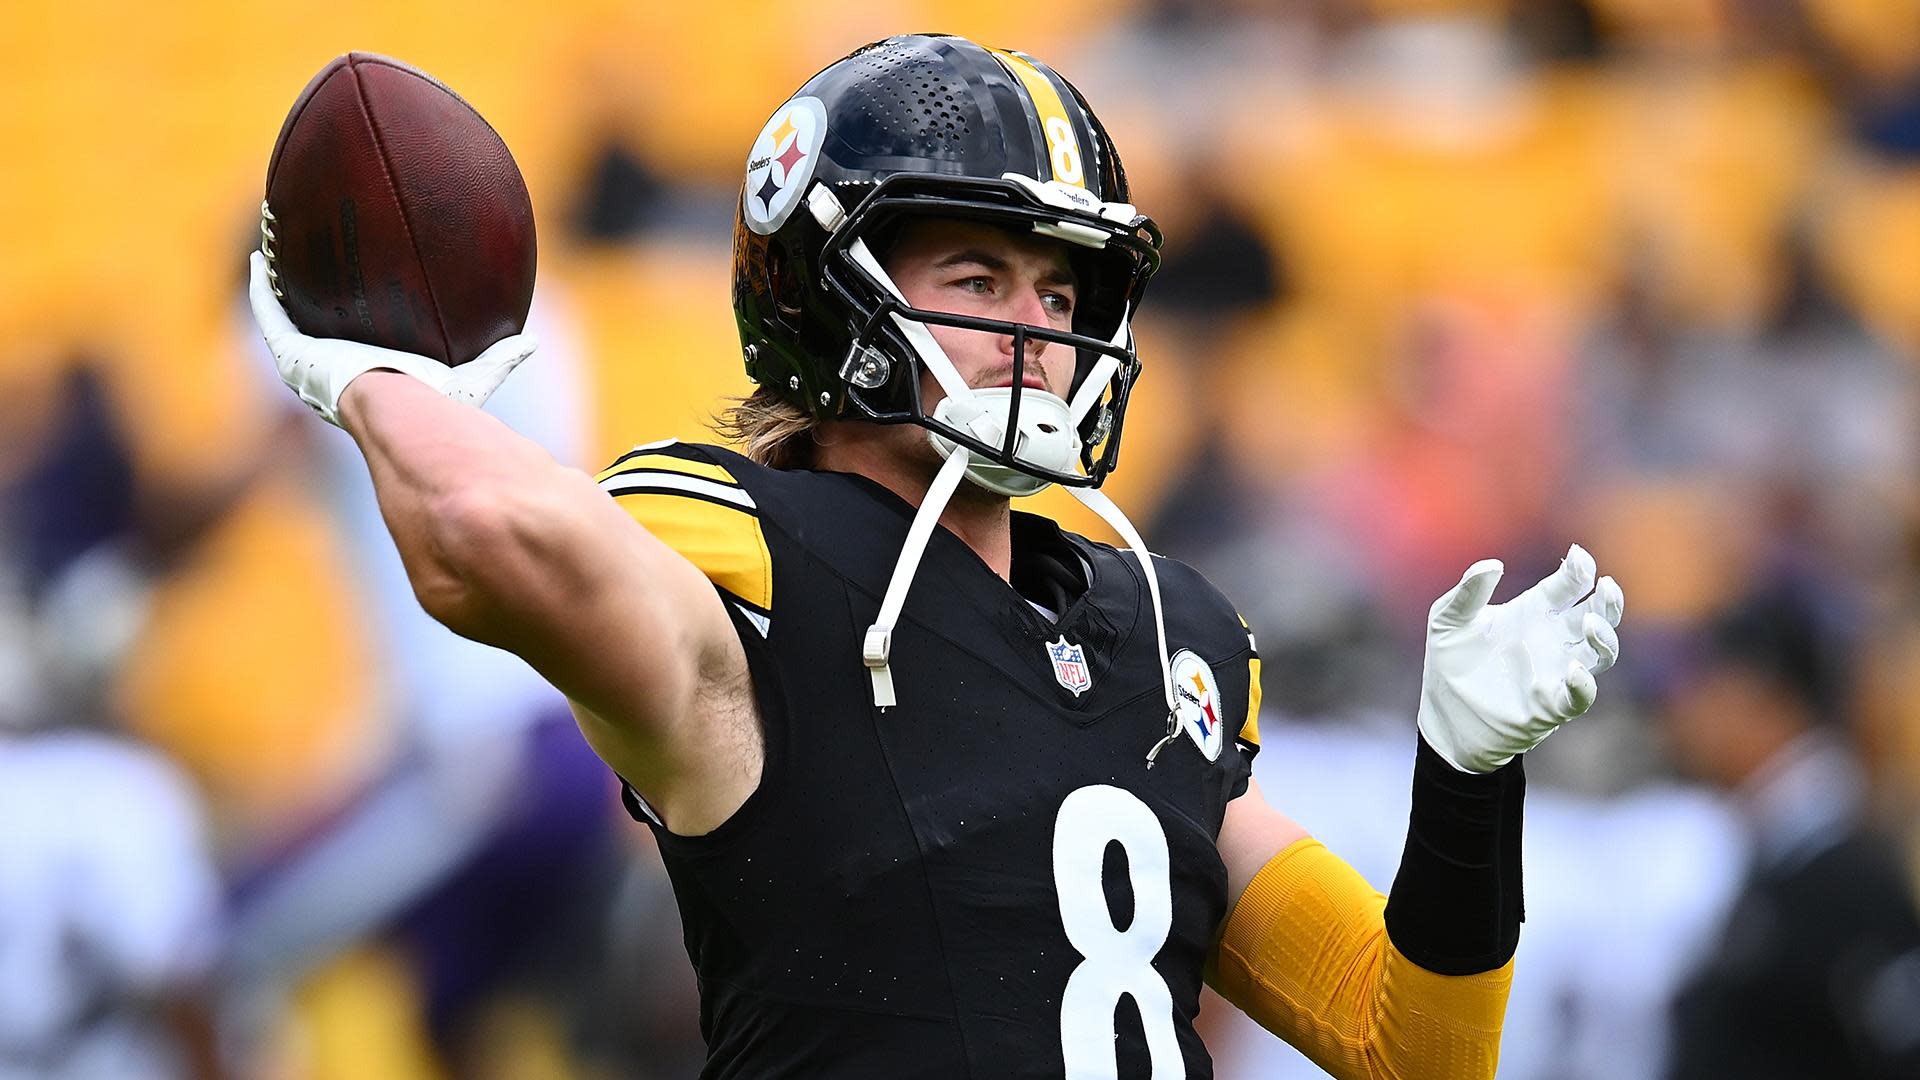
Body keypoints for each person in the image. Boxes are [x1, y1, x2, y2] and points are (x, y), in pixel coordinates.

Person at [247, 33, 1624, 1079]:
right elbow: (478, 534)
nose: (1039, 328)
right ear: (822, 290)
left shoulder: (1166, 632)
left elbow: (1411, 1043)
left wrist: (1468, 783)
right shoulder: (750, 557)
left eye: (1062, 290)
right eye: (978, 279)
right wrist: (374, 374)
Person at [1662, 579, 1920, 1079]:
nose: (1687, 714)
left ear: (1765, 699)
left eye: (1710, 688)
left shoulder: (1850, 873)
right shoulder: (1775, 848)